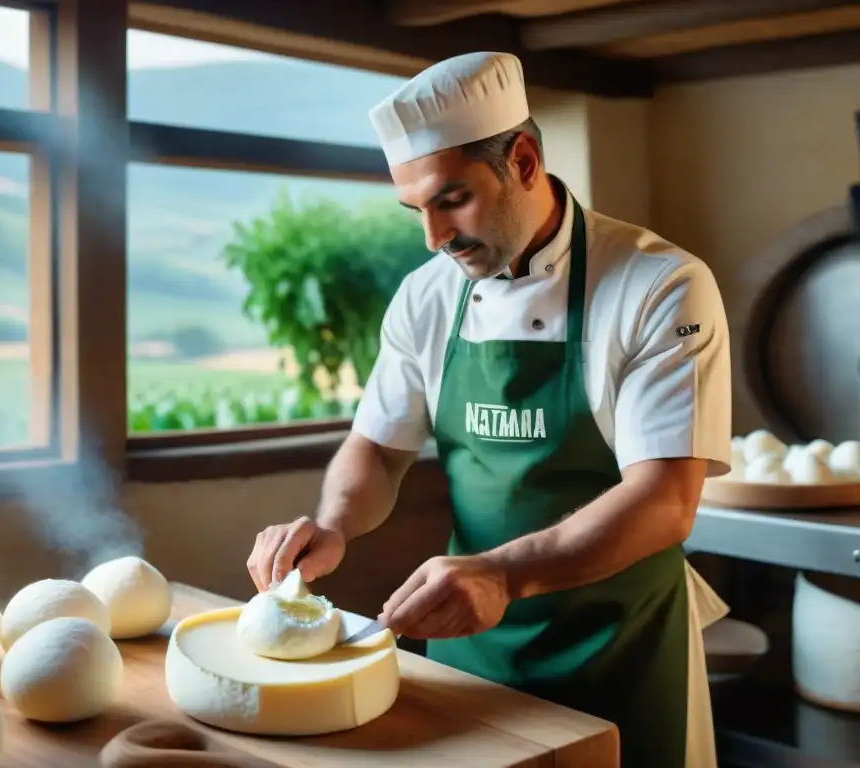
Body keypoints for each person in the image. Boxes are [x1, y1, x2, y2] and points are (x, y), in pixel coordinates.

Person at [246, 51, 733, 768]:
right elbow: (379, 448)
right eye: (417, 210)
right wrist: (333, 523)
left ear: (525, 159)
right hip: (467, 639)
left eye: (451, 200)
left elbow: (665, 500)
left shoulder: (661, 286)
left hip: (620, 644)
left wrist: (503, 575)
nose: (434, 238)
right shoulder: (426, 295)